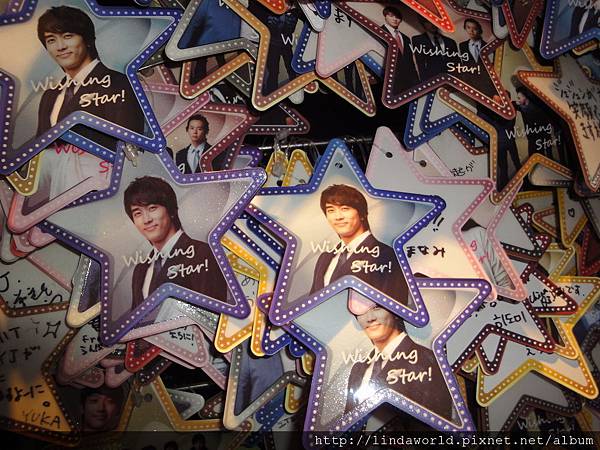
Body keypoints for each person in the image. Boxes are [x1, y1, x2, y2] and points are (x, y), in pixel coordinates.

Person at [36, 6, 144, 139]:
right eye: (51, 40)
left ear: (87, 39)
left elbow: (130, 144)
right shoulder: (49, 96)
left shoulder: (120, 84)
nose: (60, 47)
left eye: (67, 36)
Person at [123, 176, 227, 310]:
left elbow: (214, 313)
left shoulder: (202, 254)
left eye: (152, 208)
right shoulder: (140, 270)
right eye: (138, 213)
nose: (146, 219)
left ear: (171, 210)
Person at [344, 296, 454, 419]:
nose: (370, 318)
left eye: (377, 307)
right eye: (360, 310)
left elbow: (435, 423)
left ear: (396, 309)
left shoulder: (429, 360)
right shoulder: (358, 369)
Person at [309, 185, 409, 304]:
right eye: (331, 210)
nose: (338, 217)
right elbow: (312, 304)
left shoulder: (387, 255)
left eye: (345, 208)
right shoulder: (324, 258)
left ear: (362, 214)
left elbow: (395, 306)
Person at [380, 6, 420, 93]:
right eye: (391, 16)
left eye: (397, 17)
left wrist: (416, 82)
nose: (395, 19)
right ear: (385, 16)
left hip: (409, 83)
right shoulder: (379, 33)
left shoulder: (406, 38)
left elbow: (410, 62)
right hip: (388, 81)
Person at [411, 16, 458, 81]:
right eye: (428, 22)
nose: (433, 24)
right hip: (431, 80)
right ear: (423, 23)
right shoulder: (418, 40)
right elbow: (420, 65)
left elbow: (457, 64)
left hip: (451, 80)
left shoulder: (450, 42)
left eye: (435, 20)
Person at [513, 86, 556, 158]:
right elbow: (513, 103)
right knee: (533, 156)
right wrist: (515, 102)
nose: (518, 100)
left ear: (525, 97)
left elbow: (545, 121)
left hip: (541, 137)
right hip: (531, 138)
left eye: (519, 98)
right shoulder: (523, 107)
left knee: (545, 156)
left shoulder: (537, 107)